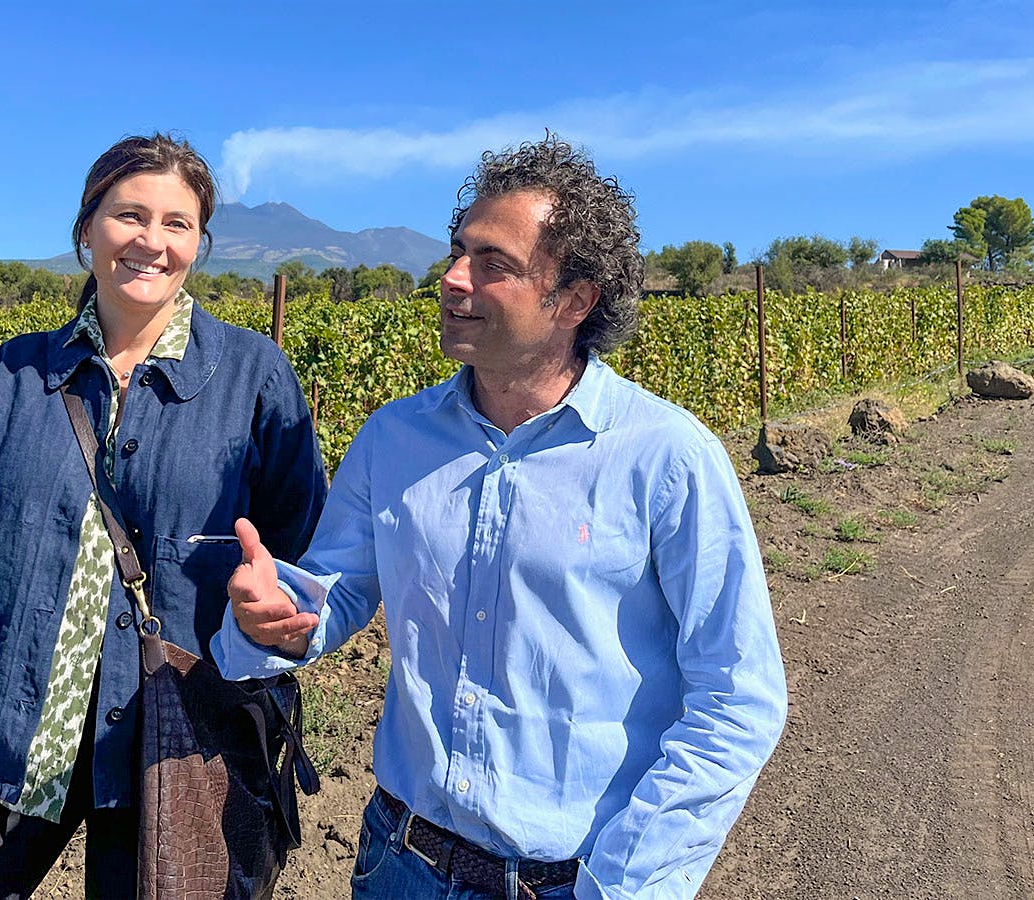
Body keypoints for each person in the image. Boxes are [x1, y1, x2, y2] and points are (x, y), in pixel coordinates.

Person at [216, 135, 787, 899]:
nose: (453, 279)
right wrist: (279, 617)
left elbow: (736, 698)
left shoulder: (667, 457)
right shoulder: (393, 439)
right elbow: (336, 591)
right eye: (457, 253)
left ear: (575, 300)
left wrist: (625, 884)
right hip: (399, 863)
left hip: (571, 881)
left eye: (495, 264)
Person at [0, 133, 326, 900]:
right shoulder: (15, 375)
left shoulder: (254, 376)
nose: (152, 241)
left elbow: (301, 554)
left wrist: (275, 613)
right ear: (87, 231)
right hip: (17, 738)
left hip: (177, 752)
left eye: (177, 223)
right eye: (129, 216)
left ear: (200, 244)